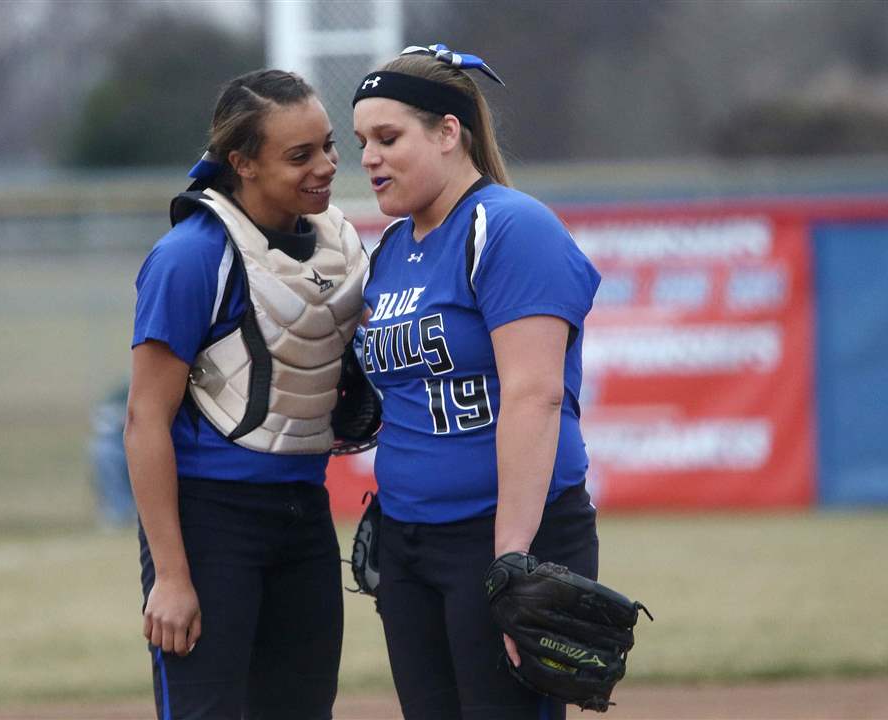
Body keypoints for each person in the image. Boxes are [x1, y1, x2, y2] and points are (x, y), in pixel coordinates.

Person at [351, 44, 603, 720]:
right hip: (409, 543)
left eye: (388, 137)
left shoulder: (509, 227)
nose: (369, 157)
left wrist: (512, 561)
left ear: (448, 132)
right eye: (362, 142)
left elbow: (534, 393)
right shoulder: (392, 249)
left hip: (502, 537)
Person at [124, 69, 367, 720]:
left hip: (304, 515)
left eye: (327, 145)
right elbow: (145, 421)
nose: (326, 166)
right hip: (211, 524)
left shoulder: (337, 249)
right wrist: (172, 577)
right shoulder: (192, 257)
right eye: (299, 155)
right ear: (243, 163)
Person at [88, 381, 137, 528]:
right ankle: (119, 511)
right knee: (103, 451)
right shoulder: (123, 388)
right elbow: (102, 417)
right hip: (118, 441)